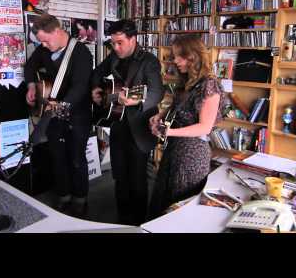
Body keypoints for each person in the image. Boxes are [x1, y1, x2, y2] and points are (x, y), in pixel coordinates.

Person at [91, 19, 164, 225]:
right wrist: (96, 89)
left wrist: (138, 99)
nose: (115, 47)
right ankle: (121, 220)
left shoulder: (149, 61)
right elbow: (97, 72)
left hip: (139, 127)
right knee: (119, 176)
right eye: (113, 43)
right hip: (117, 124)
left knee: (138, 179)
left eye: (120, 42)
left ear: (133, 39)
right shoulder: (114, 56)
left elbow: (157, 91)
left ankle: (139, 223)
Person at [147, 34, 223, 220]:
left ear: (193, 56)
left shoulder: (209, 85)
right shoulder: (186, 82)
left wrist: (169, 131)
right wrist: (160, 116)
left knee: (179, 204)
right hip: (175, 148)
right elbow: (177, 110)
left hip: (192, 153)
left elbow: (204, 127)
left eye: (179, 57)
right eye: (173, 56)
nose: (175, 61)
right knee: (165, 198)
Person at [24, 14, 93, 218]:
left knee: (76, 158)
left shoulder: (81, 53)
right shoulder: (45, 48)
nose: (43, 45)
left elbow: (80, 86)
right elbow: (29, 66)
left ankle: (80, 199)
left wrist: (62, 104)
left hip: (78, 114)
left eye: (46, 40)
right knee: (57, 156)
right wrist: (31, 86)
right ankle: (63, 196)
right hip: (53, 113)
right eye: (41, 42)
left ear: (57, 31)